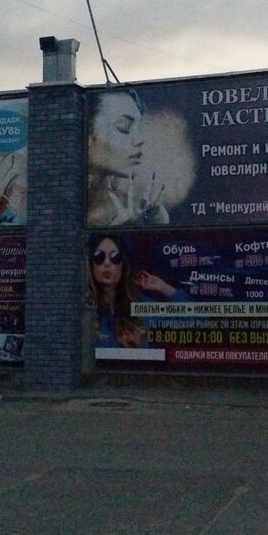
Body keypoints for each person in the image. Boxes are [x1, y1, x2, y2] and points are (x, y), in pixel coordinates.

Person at [88, 234, 186, 348]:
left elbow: (195, 320)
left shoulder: (140, 306)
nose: (107, 263)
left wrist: (163, 287)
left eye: (115, 257)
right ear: (91, 263)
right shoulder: (80, 308)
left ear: (123, 265)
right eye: (99, 257)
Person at [86, 90, 168, 227]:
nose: (139, 139)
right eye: (123, 126)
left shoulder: (132, 208)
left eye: (138, 127)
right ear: (87, 137)